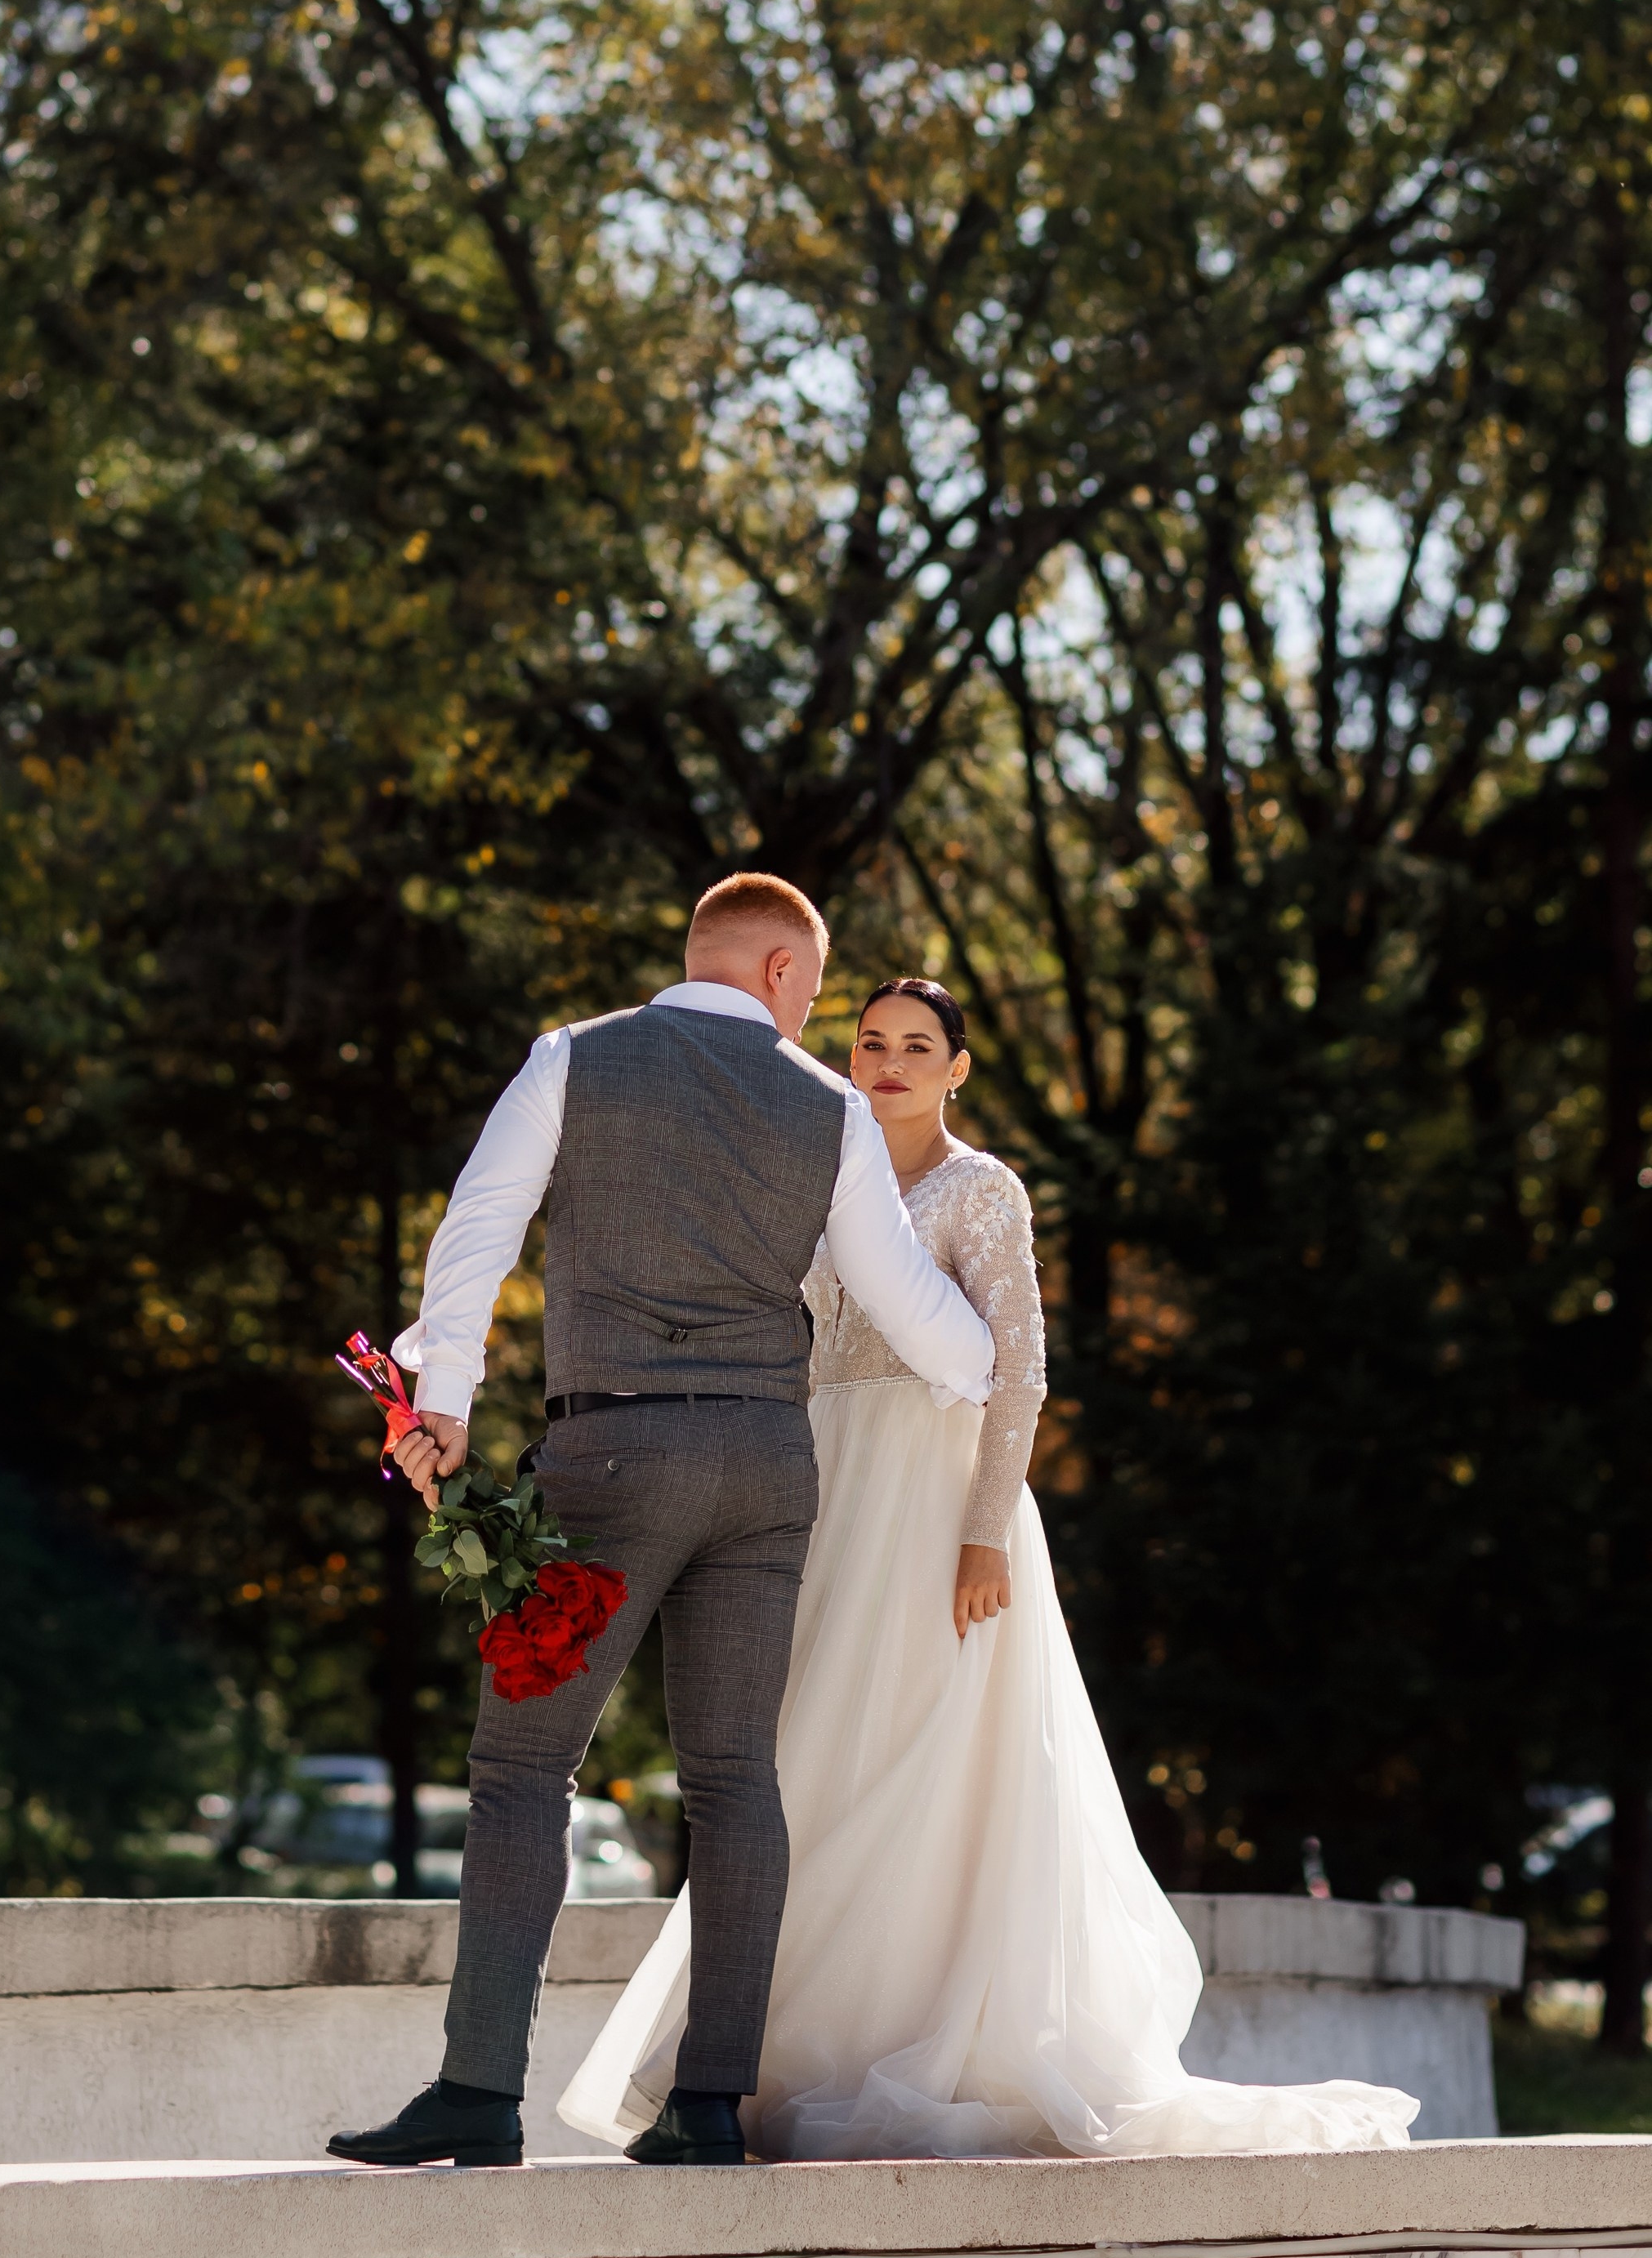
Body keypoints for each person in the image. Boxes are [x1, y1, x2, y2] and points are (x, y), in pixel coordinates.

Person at [560, 975, 1420, 2162]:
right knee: (802, 1757)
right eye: (871, 1043)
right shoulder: (814, 1171)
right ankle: (755, 2051)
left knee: (928, 1754)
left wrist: (981, 1528)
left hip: (936, 1500)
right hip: (816, 1488)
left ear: (958, 1067)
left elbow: (1020, 1375)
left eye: (920, 1046)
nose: (893, 1063)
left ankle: (916, 2038)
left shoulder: (982, 1189)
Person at [327, 881, 997, 2172]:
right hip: (765, 1465)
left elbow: (480, 1229)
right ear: (784, 966)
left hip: (609, 1458)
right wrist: (996, 1366)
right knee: (738, 1782)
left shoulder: (573, 1060)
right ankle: (706, 2110)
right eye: (817, 987)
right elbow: (911, 1309)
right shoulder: (829, 1111)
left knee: (524, 1774)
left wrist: (446, 1401)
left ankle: (477, 2091)